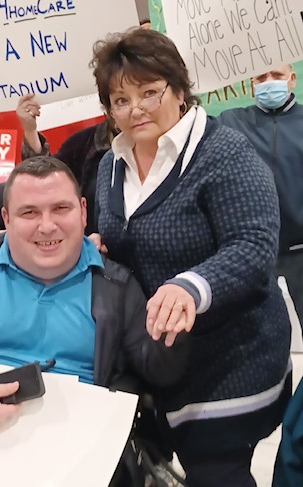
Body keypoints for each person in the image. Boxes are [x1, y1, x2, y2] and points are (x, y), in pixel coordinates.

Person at [90, 28, 291, 486]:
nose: (135, 108)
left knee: (216, 471)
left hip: (232, 357)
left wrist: (192, 285)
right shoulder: (110, 165)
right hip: (159, 358)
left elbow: (254, 244)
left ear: (179, 90)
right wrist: (98, 247)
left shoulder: (225, 152)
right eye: (120, 100)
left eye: (149, 92)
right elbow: (124, 238)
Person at [0, 156, 187, 444]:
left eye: (61, 208)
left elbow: (160, 370)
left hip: (74, 442)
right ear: (7, 218)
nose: (46, 226)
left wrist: (175, 320)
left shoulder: (116, 284)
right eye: (29, 213)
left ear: (83, 212)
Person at [218, 64, 303, 327]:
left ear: (292, 79)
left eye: (277, 75)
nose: (269, 82)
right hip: (252, 252)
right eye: (261, 77)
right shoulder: (230, 122)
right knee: (259, 333)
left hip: (301, 249)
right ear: (251, 85)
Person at [16, 97, 116, 235]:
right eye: (121, 101)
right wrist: (30, 131)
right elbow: (44, 178)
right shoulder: (82, 144)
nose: (134, 110)